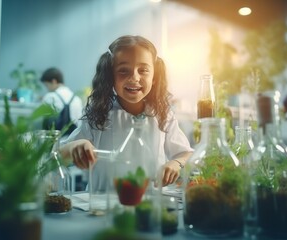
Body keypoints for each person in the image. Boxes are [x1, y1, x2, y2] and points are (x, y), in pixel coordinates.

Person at [60, 35, 193, 190]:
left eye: (143, 70)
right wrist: (75, 146)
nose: (134, 78)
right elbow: (59, 155)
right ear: (110, 76)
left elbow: (185, 153)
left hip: (149, 206)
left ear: (154, 76)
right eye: (123, 71)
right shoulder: (98, 114)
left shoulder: (162, 114)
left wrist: (175, 164)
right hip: (102, 207)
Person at [40, 67, 83, 135]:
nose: (47, 88)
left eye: (47, 85)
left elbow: (43, 120)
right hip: (73, 141)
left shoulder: (50, 97)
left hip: (54, 140)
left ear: (54, 81)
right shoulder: (77, 99)